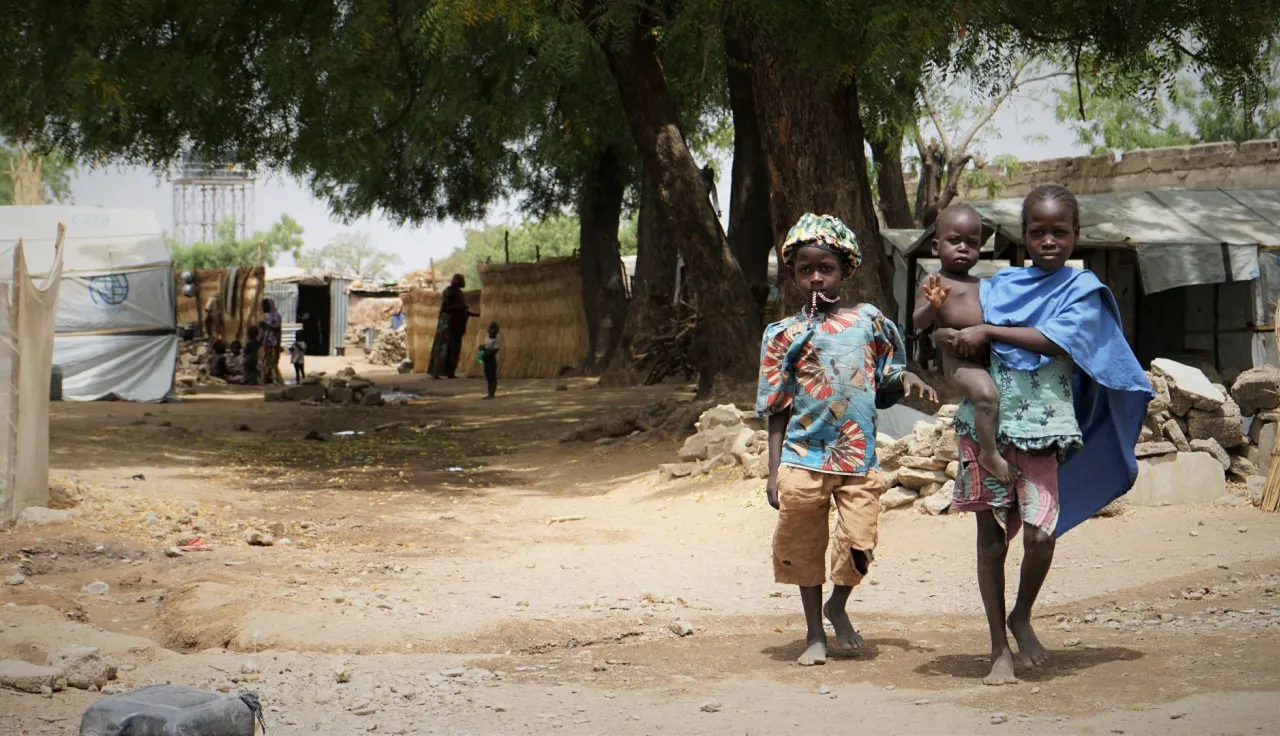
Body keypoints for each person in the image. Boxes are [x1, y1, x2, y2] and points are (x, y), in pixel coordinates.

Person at [934, 185, 1152, 686]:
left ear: (1076, 236)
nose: (1048, 241)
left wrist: (990, 333)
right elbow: (955, 322)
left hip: (1044, 430)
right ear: (1022, 237)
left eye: (1059, 232)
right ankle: (997, 650)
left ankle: (1021, 613)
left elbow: (1058, 339)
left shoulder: (1083, 291)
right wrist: (947, 336)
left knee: (1040, 536)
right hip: (986, 428)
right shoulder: (1000, 285)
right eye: (1037, 232)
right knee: (990, 544)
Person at [758, 213, 937, 667]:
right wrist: (773, 470)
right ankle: (814, 632)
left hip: (857, 457)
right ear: (794, 275)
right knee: (803, 548)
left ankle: (838, 604)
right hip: (803, 456)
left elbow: (887, 373)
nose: (816, 276)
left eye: (826, 268)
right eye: (805, 269)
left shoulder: (869, 321)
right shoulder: (783, 334)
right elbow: (776, 406)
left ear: (845, 270)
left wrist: (908, 376)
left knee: (861, 541)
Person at [913, 204, 1013, 484]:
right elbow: (918, 323)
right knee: (987, 396)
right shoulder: (934, 282)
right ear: (936, 246)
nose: (963, 248)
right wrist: (933, 308)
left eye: (971, 243)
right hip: (958, 361)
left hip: (985, 355)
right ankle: (989, 453)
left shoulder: (984, 285)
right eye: (954, 240)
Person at [428, 274, 479, 379]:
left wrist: (473, 314)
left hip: (456, 327)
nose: (453, 281)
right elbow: (446, 307)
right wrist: (461, 307)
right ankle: (436, 372)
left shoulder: (459, 293)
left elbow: (462, 311)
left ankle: (450, 373)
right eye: (454, 279)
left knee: (454, 350)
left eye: (456, 279)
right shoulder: (449, 291)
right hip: (447, 326)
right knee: (443, 349)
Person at [260, 298, 283, 385]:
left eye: (264, 306)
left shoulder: (276, 315)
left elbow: (276, 326)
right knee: (267, 360)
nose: (262, 308)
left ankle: (275, 379)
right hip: (267, 342)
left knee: (273, 361)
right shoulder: (266, 315)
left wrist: (266, 325)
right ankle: (268, 378)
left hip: (274, 342)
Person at [478, 321, 501, 399]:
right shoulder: (487, 338)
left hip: (491, 361)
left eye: (494, 329)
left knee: (492, 378)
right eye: (491, 328)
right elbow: (484, 348)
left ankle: (492, 394)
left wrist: (485, 352)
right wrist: (481, 355)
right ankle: (489, 393)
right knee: (488, 378)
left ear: (497, 331)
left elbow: (494, 351)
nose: (492, 331)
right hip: (486, 361)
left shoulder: (496, 341)